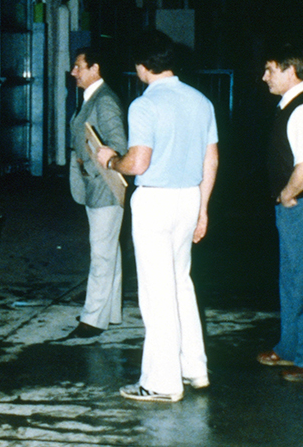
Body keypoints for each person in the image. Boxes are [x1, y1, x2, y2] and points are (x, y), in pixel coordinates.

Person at [96, 31, 218, 402]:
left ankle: (162, 382)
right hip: (187, 199)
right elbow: (210, 159)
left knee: (157, 293)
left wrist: (111, 160)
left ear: (142, 66)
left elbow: (139, 162)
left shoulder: (144, 105)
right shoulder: (200, 101)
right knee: (181, 284)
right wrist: (203, 209)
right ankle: (194, 368)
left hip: (155, 202)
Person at [67, 47, 127, 339]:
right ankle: (111, 311)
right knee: (109, 249)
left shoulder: (105, 102)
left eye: (78, 66)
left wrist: (93, 163)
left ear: (95, 68)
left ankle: (92, 319)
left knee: (101, 253)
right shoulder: (91, 98)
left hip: (105, 185)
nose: (73, 72)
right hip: (93, 183)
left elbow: (119, 144)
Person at [258, 44, 303, 382]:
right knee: (290, 280)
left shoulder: (300, 110)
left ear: (291, 72)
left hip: (297, 206)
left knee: (298, 280)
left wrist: (288, 194)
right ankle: (289, 347)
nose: (264, 77)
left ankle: (301, 357)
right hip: (290, 207)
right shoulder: (288, 106)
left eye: (270, 69)